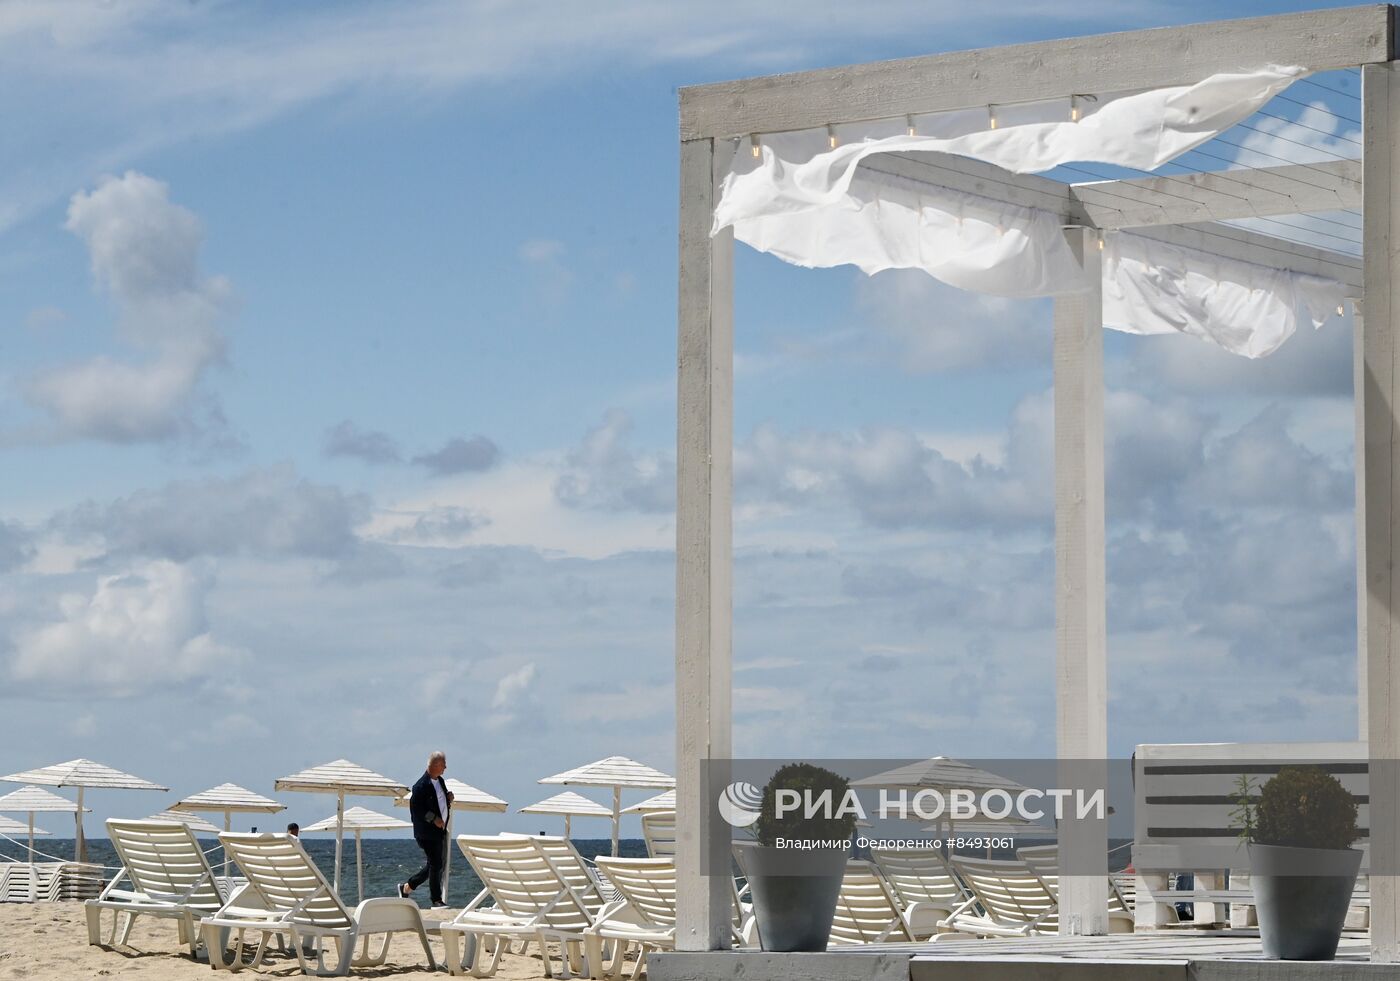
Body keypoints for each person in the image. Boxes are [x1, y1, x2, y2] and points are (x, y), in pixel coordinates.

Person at [399, 750, 454, 907]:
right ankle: (436, 899)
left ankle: (406, 887)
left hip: (439, 831)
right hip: (426, 833)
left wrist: (448, 798)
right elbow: (417, 809)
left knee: (434, 864)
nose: (445, 767)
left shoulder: (441, 781)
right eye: (443, 764)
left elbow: (440, 802)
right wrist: (434, 819)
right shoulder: (420, 786)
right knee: (436, 864)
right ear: (436, 765)